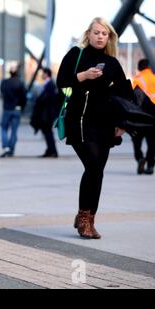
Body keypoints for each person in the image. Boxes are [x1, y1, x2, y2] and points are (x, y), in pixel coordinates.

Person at [57, 17, 127, 239]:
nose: (99, 36)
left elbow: (124, 94)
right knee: (94, 165)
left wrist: (122, 123)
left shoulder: (113, 63)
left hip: (104, 124)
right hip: (78, 122)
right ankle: (85, 218)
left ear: (109, 37)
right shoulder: (76, 55)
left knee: (97, 170)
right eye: (96, 32)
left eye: (104, 33)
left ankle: (87, 216)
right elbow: (61, 81)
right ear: (88, 34)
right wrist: (84, 75)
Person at [131, 59, 155, 175]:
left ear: (139, 68)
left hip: (139, 118)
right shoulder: (154, 78)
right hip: (153, 118)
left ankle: (140, 158)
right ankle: (150, 166)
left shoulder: (137, 80)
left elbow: (133, 100)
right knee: (152, 143)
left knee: (136, 141)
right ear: (149, 68)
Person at [30, 68, 59, 157]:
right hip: (46, 113)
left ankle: (52, 151)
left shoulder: (50, 85)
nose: (42, 75)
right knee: (47, 132)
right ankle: (50, 150)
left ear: (47, 74)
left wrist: (38, 101)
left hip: (47, 114)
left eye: (43, 73)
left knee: (48, 132)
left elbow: (47, 99)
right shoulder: (47, 84)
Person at [0, 65, 27, 157]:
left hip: (7, 108)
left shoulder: (4, 82)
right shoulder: (20, 83)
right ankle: (11, 150)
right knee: (14, 131)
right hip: (17, 109)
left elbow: (2, 93)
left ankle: (6, 147)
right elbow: (24, 97)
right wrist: (21, 107)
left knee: (4, 128)